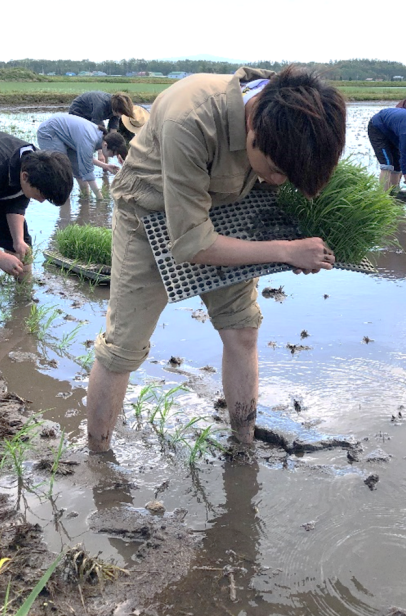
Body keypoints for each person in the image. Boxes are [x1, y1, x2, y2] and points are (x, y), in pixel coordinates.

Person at [86, 65, 346, 453]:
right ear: (252, 129)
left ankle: (244, 442)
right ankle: (98, 455)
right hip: (148, 211)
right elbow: (191, 241)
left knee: (243, 329)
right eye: (275, 171)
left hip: (228, 208)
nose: (278, 181)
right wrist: (285, 250)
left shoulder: (293, 114)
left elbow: (281, 177)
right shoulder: (189, 118)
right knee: (123, 346)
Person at [0, 126, 72, 279]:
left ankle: (24, 297)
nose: (42, 201)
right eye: (41, 196)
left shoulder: (34, 162)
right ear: (24, 177)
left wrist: (18, 240)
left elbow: (17, 200)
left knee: (21, 244)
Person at [37, 114, 128, 199]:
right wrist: (100, 198)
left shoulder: (99, 137)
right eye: (113, 154)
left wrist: (106, 166)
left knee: (77, 167)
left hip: (65, 135)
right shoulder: (89, 139)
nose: (112, 157)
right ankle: (64, 200)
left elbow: (85, 157)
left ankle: (85, 197)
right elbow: (87, 171)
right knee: (63, 168)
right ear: (105, 145)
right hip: (49, 132)